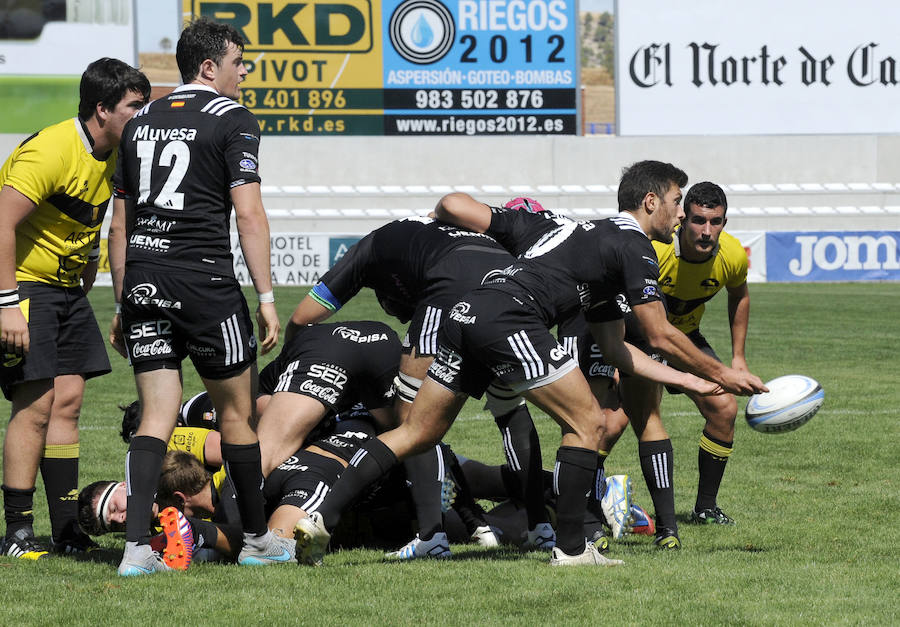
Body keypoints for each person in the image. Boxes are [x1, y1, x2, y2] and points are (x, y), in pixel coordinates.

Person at [295, 160, 767, 568]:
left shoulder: (570, 232)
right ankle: (570, 548)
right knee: (587, 422)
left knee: (418, 431)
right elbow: (662, 332)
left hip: (467, 313)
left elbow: (621, 352)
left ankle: (320, 518)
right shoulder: (634, 245)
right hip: (510, 318)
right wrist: (723, 374)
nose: (682, 213)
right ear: (650, 202)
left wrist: (692, 381)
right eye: (677, 201)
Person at [107, 17, 284, 575]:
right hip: (205, 285)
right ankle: (256, 541)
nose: (245, 73)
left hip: (143, 280)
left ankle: (136, 551)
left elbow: (120, 221)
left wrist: (120, 300)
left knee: (155, 415)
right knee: (236, 416)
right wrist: (266, 295)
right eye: (239, 63)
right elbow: (249, 213)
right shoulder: (233, 118)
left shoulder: (140, 120)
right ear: (208, 67)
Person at [283, 216, 538, 559]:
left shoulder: (367, 251)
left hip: (454, 280)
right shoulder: (423, 239)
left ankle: (429, 536)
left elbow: (301, 319)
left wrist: (290, 376)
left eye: (400, 312)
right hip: (509, 279)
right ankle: (547, 524)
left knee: (413, 420)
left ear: (389, 291)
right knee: (509, 404)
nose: (404, 321)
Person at [0, 58, 150, 560]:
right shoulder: (51, 150)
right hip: (22, 285)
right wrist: (5, 306)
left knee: (67, 405)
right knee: (36, 406)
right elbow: (1, 225)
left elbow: (94, 215)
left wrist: (88, 265)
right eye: (134, 106)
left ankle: (65, 529)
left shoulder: (115, 153)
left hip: (65, 290)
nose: (141, 114)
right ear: (102, 109)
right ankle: (19, 533)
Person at [651, 181, 750, 526]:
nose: (707, 231)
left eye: (716, 222)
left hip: (685, 340)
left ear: (725, 222)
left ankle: (705, 507)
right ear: (682, 218)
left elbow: (740, 295)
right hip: (639, 337)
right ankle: (582, 507)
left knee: (724, 407)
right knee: (612, 420)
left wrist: (738, 357)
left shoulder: (733, 256)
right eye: (698, 220)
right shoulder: (654, 248)